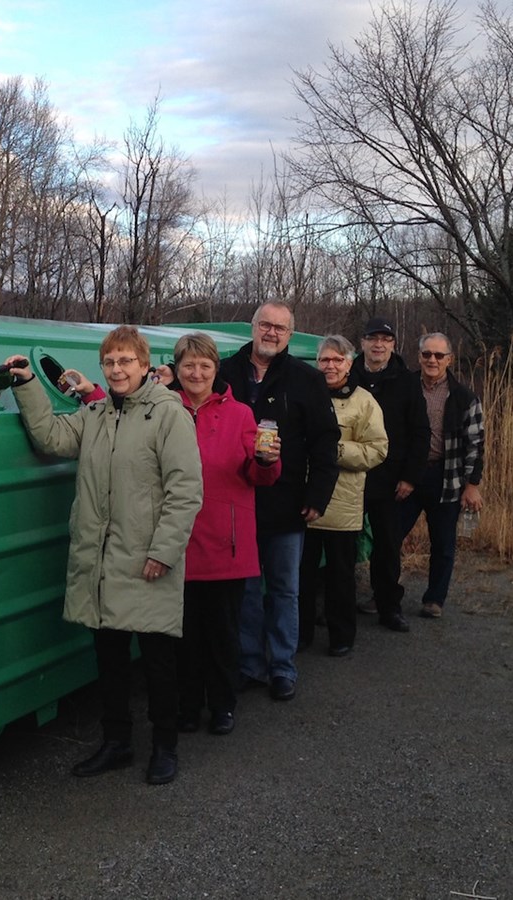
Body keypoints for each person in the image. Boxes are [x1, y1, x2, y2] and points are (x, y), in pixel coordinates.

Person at [5, 327, 202, 785]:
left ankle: (165, 747)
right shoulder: (93, 414)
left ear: (144, 364)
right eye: (110, 362)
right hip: (101, 559)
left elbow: (186, 490)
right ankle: (117, 743)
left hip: (148, 559)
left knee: (157, 661)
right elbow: (51, 438)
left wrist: (165, 552)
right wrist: (26, 384)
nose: (117, 370)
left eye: (126, 362)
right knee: (109, 658)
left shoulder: (169, 415)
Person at [218, 302, 340, 701]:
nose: (271, 333)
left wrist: (319, 494)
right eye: (265, 325)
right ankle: (249, 664)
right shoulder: (224, 372)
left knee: (285, 589)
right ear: (252, 328)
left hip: (286, 503)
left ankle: (282, 667)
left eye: (280, 328)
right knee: (247, 590)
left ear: (290, 334)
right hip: (235, 500)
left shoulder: (306, 379)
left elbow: (326, 442)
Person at [167, 333, 282, 737]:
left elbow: (259, 475)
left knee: (223, 634)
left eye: (204, 366)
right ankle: (186, 707)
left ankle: (222, 705)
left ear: (216, 370)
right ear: (176, 369)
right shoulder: (163, 411)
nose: (196, 373)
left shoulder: (240, 415)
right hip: (175, 542)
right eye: (188, 365)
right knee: (183, 636)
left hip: (226, 544)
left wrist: (268, 462)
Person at [299, 336, 388, 657]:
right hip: (304, 499)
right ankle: (301, 633)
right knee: (302, 574)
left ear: (350, 364)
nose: (331, 366)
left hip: (343, 503)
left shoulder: (363, 402)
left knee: (339, 576)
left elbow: (378, 449)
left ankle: (341, 635)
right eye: (325, 360)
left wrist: (333, 449)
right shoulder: (305, 393)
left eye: (338, 360)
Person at [350, 317, 430, 633]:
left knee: (387, 546)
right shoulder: (348, 375)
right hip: (350, 476)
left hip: (389, 479)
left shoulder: (407, 381)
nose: (378, 345)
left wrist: (411, 476)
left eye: (385, 339)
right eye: (373, 338)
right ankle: (337, 606)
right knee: (342, 545)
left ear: (393, 345)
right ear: (363, 343)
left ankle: (389, 607)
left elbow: (421, 432)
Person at [400, 333, 485, 618]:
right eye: (427, 354)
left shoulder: (464, 397)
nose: (432, 360)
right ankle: (384, 592)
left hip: (446, 478)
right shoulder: (405, 386)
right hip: (407, 476)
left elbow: (475, 444)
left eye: (439, 355)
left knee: (443, 542)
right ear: (419, 356)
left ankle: (434, 599)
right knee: (389, 536)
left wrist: (472, 484)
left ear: (449, 359)